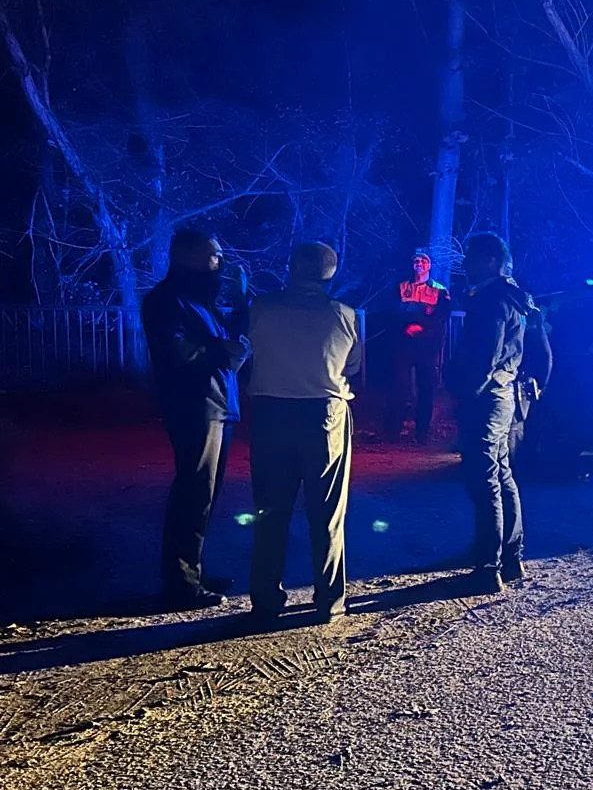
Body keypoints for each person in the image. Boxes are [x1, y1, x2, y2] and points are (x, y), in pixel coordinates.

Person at [246, 242, 363, 624]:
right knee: (327, 511)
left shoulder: (261, 308)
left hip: (270, 413)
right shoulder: (344, 315)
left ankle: (265, 598)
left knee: (270, 510)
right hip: (324, 414)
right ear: (331, 272)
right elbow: (354, 365)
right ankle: (329, 599)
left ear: (292, 267)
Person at [140, 226, 250, 610]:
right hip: (195, 405)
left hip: (216, 403)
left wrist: (240, 304)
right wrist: (224, 353)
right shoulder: (167, 300)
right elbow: (179, 355)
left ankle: (192, 573)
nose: (219, 262)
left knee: (204, 494)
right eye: (213, 255)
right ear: (188, 257)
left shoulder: (196, 299)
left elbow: (224, 339)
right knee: (194, 492)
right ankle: (181, 582)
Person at [447, 233, 548, 593]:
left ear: (490, 260)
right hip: (505, 396)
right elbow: (539, 352)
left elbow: (482, 358)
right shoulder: (517, 297)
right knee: (501, 474)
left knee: (484, 477)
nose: (466, 265)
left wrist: (463, 391)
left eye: (471, 258)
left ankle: (488, 566)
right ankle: (511, 556)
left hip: (487, 397)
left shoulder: (492, 300)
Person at [385, 250, 451, 444]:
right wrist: (408, 325)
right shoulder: (401, 286)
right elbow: (392, 310)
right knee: (398, 387)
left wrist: (422, 327)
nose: (419, 264)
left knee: (426, 389)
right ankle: (392, 431)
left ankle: (421, 432)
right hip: (403, 344)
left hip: (427, 346)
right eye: (416, 261)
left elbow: (442, 316)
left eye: (424, 261)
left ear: (429, 266)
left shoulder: (440, 290)